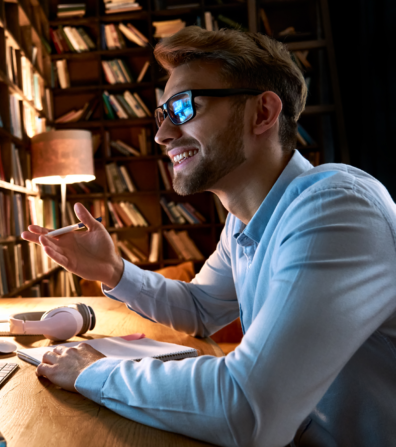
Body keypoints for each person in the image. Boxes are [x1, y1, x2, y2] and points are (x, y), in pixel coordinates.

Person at [22, 27, 396, 446]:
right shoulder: (243, 220)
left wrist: (91, 371)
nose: (163, 136)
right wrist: (113, 271)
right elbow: (201, 308)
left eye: (182, 109)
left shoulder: (335, 209)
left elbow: (248, 409)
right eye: (161, 116)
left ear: (262, 113)